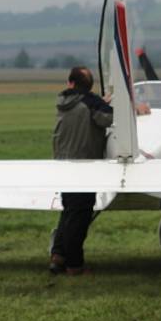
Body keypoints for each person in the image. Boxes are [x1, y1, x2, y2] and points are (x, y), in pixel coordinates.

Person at [49, 66, 113, 275]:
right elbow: (108, 118)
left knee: (68, 211)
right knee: (81, 215)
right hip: (85, 167)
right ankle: (74, 265)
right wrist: (107, 103)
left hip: (62, 164)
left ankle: (58, 256)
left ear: (70, 83)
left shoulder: (63, 101)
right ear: (90, 86)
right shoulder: (91, 103)